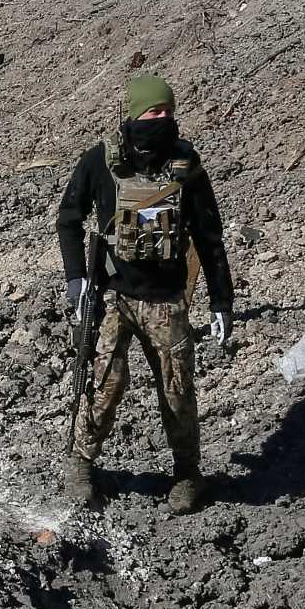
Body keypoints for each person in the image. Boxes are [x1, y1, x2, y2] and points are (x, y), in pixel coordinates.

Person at [55, 73, 232, 514]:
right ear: (135, 114)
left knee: (176, 390)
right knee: (103, 383)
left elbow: (210, 237)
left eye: (168, 111)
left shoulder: (186, 165)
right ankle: (80, 462)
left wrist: (221, 300)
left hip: (166, 299)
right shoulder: (101, 161)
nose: (162, 118)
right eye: (153, 111)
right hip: (111, 294)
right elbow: (68, 219)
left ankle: (188, 475)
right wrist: (76, 278)